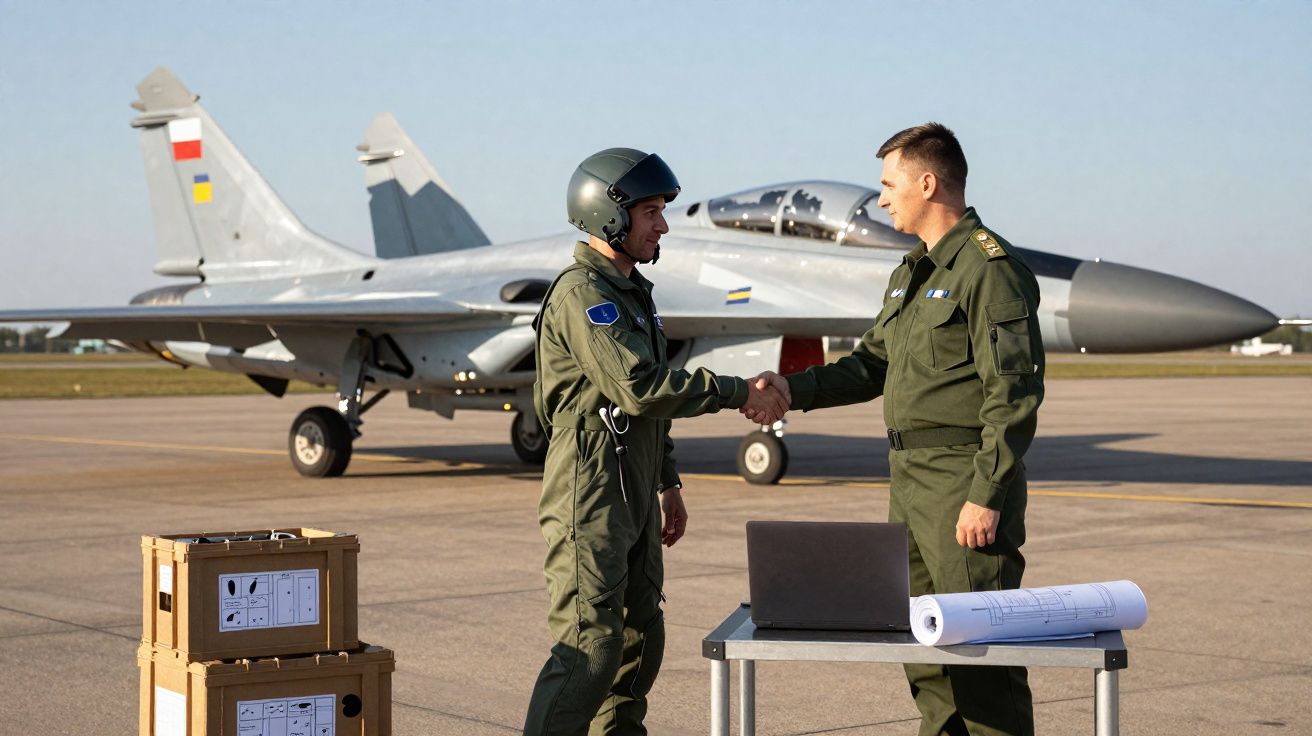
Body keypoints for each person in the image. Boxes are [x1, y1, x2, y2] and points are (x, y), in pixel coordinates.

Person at [751, 123, 1044, 736]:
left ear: (928, 183)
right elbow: (871, 366)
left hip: (960, 485)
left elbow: (1012, 394)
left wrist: (985, 496)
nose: (882, 198)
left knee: (980, 660)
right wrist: (789, 390)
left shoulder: (989, 269)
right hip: (908, 485)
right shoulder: (911, 273)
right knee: (923, 651)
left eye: (889, 184)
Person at [524, 147, 787, 735]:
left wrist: (667, 482)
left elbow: (645, 413)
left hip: (634, 477)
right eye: (650, 212)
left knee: (641, 637)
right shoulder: (583, 295)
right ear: (607, 214)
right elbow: (640, 387)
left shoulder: (631, 291)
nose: (662, 225)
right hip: (588, 486)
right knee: (589, 648)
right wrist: (737, 390)